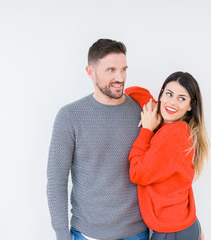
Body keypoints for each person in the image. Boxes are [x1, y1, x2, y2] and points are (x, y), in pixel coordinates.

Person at [47, 39, 148, 240]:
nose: (120, 77)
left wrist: (187, 227)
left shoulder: (142, 112)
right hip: (87, 234)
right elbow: (56, 179)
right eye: (111, 70)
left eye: (124, 69)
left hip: (137, 233)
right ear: (90, 72)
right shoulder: (69, 116)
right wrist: (60, 233)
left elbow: (163, 170)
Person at [125, 71, 209, 240]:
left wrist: (147, 130)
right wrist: (155, 109)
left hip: (171, 231)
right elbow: (132, 91)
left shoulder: (173, 134)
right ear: (161, 93)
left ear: (190, 106)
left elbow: (137, 173)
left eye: (181, 98)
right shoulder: (180, 128)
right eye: (169, 94)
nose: (172, 102)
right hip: (184, 225)